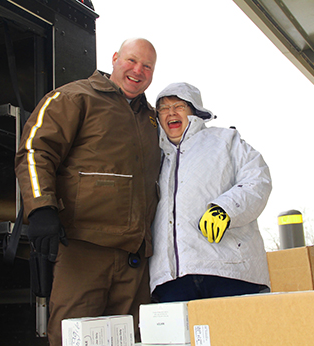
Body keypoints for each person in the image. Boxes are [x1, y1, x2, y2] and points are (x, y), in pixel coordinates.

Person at [14, 38, 161, 345]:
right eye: (131, 61)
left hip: (135, 255)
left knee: (132, 338)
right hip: (83, 247)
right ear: (115, 58)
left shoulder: (151, 119)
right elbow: (34, 151)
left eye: (147, 66)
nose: (138, 70)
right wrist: (41, 208)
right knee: (76, 335)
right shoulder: (74, 97)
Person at [149, 82, 272, 303]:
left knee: (237, 336)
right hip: (171, 282)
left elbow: (257, 178)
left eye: (179, 106)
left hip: (229, 272)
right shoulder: (152, 155)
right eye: (164, 108)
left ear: (194, 111)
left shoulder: (225, 141)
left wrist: (226, 209)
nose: (171, 113)